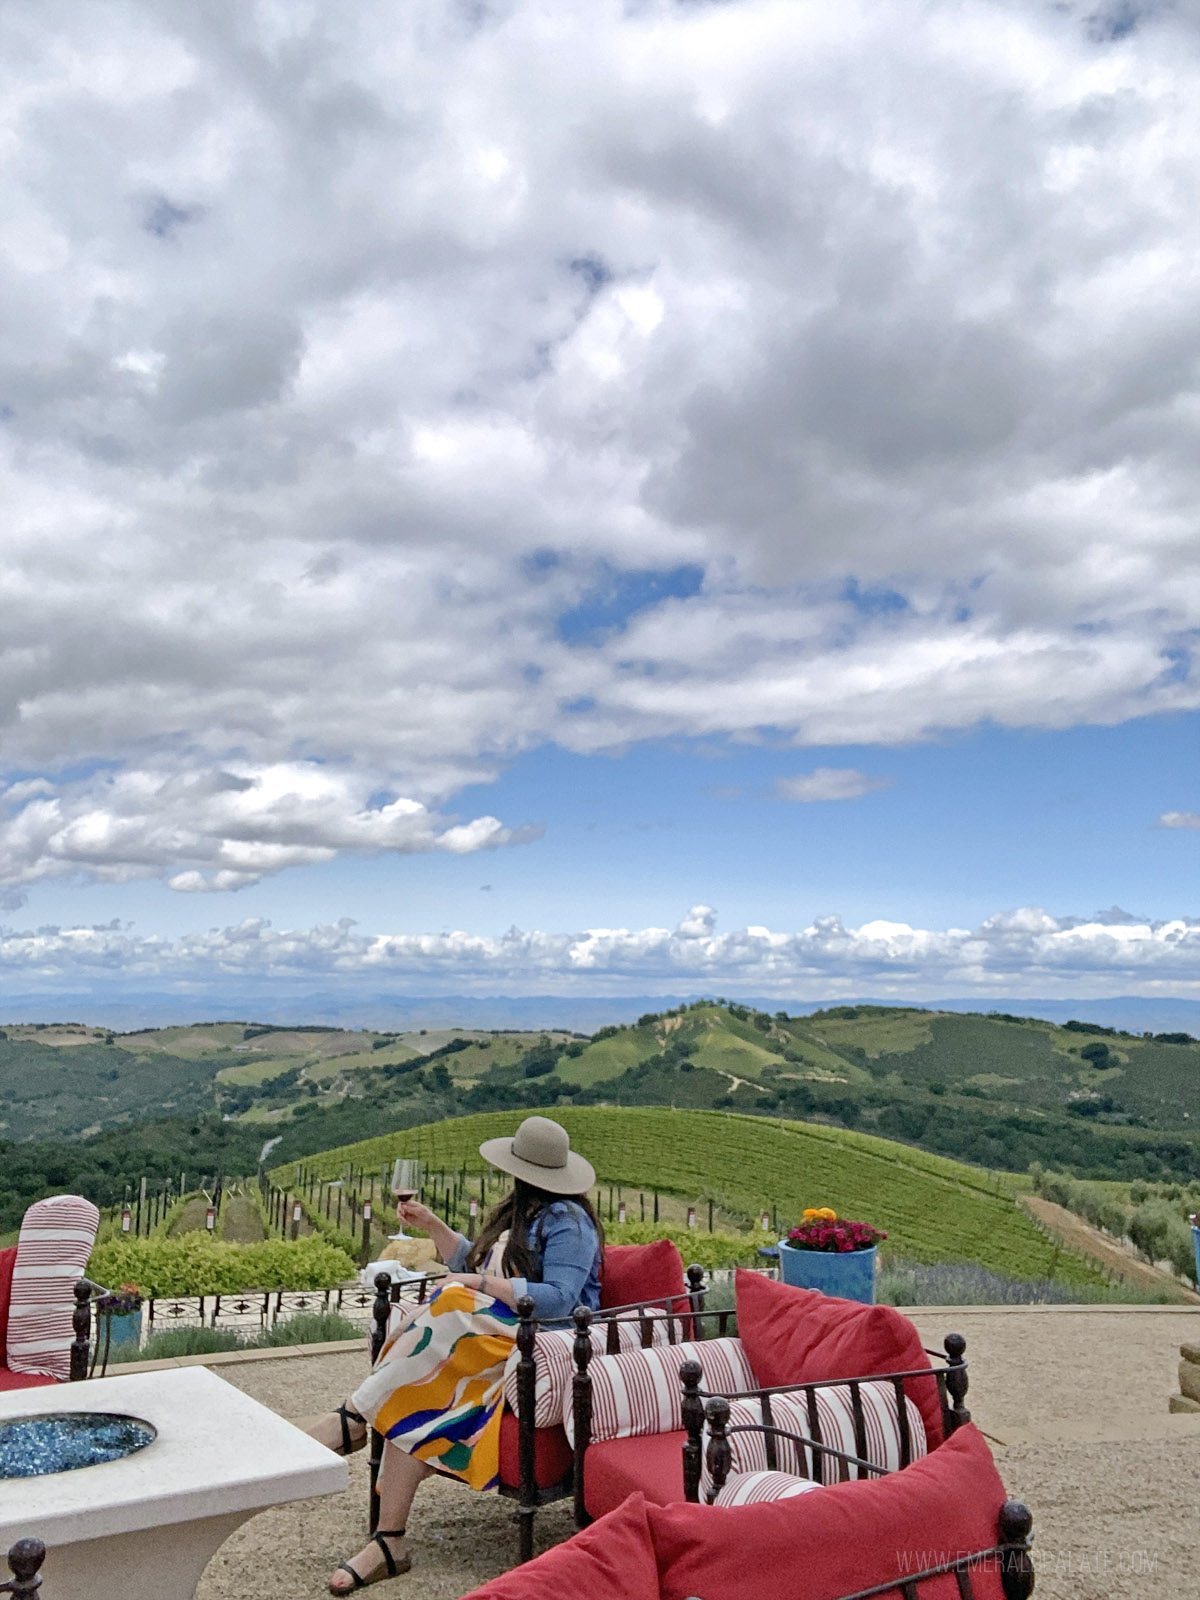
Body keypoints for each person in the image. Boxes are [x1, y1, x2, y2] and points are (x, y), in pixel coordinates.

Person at [308, 1116, 603, 1591]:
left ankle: (351, 1419)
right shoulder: (518, 1211)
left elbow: (559, 1299)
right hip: (489, 1330)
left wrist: (473, 1283)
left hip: (540, 1339)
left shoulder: (569, 1221)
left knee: (449, 1300)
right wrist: (433, 1226)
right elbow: (475, 1261)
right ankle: (389, 1543)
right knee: (417, 1388)